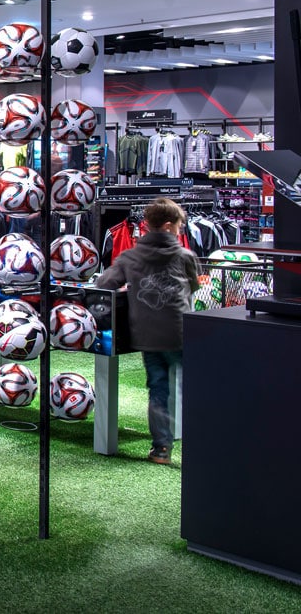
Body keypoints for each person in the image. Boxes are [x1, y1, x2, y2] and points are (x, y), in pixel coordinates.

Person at [95, 198, 200, 465]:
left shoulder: (130, 257)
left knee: (158, 390)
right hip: (181, 332)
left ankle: (162, 449)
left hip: (148, 335)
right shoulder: (185, 256)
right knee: (194, 387)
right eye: (179, 226)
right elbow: (194, 286)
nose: (180, 230)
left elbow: (104, 283)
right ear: (168, 226)